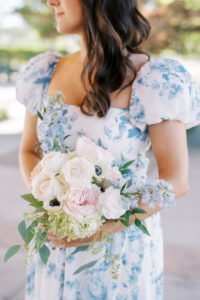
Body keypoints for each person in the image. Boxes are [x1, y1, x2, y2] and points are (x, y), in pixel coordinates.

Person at [15, 0, 200, 299]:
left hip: (120, 252)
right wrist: (52, 202)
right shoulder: (44, 71)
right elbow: (27, 151)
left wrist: (97, 230)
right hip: (54, 242)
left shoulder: (154, 79)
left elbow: (176, 181)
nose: (51, 2)